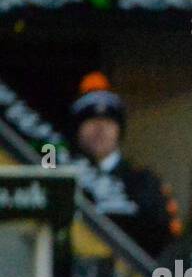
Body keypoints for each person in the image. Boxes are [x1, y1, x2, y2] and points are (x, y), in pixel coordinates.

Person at [68, 72, 179, 260]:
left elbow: (163, 236)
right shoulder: (67, 177)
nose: (99, 129)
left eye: (108, 122)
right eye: (90, 121)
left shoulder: (143, 181)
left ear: (119, 129)